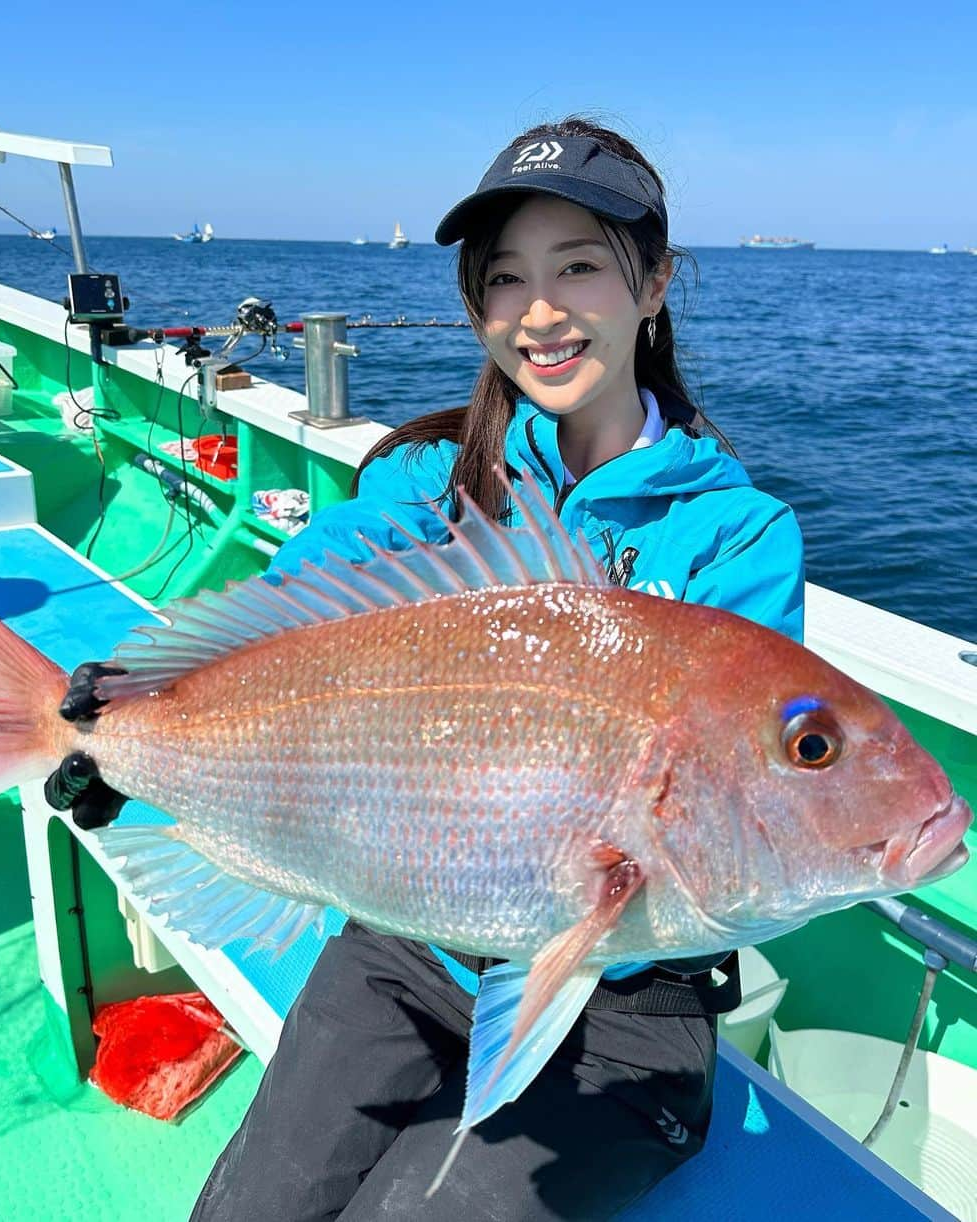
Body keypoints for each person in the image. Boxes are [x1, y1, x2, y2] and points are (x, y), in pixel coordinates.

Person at [47, 116, 804, 1220]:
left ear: (654, 286)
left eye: (580, 266)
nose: (540, 311)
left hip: (626, 1016)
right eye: (506, 280)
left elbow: (743, 803)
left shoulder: (739, 535)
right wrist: (127, 714)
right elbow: (286, 617)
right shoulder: (424, 488)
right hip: (405, 952)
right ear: (477, 307)